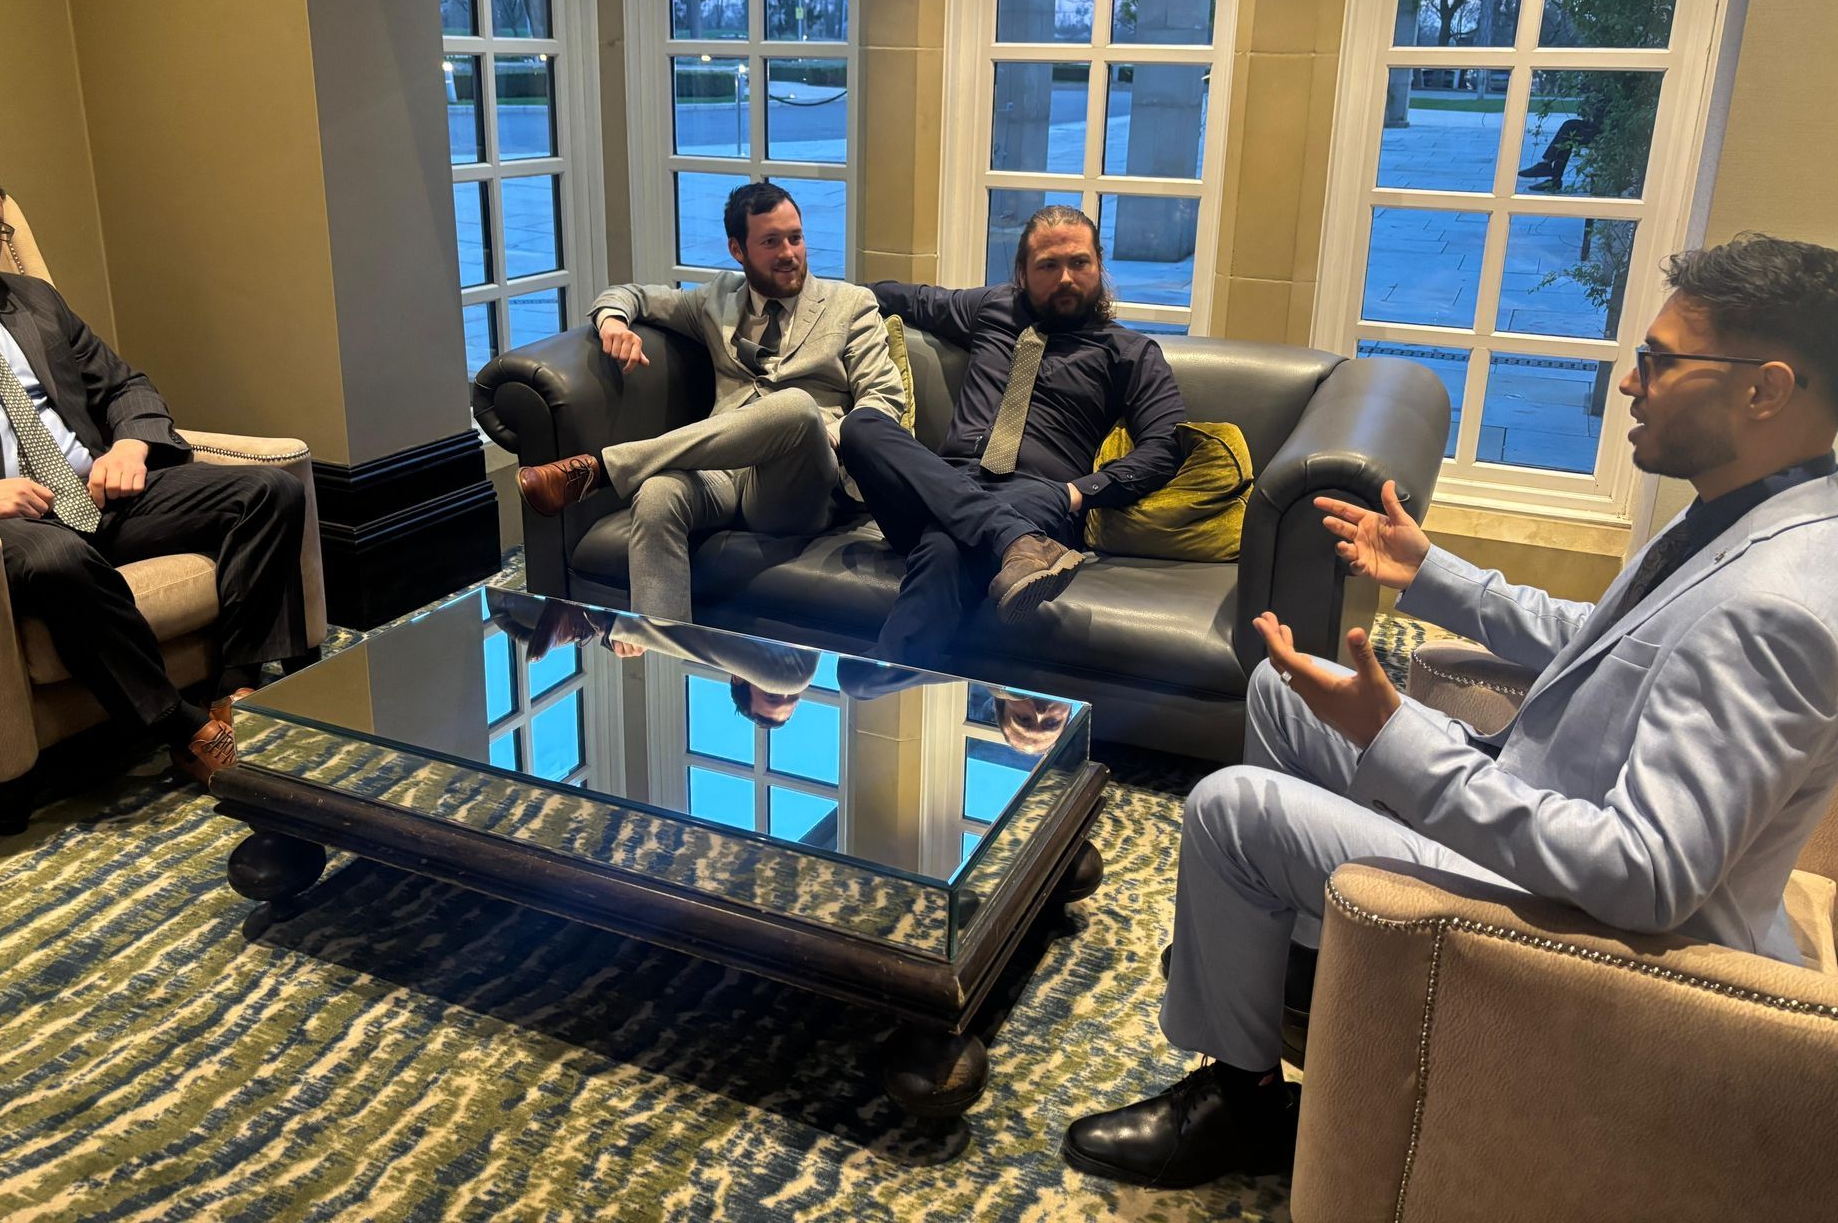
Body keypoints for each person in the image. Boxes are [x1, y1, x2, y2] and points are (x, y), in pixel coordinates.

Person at [1062, 233, 1838, 1191]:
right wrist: (1433, 574)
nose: (1630, 384)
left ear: (1764, 389)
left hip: (1582, 921)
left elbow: (1647, 878)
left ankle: (1243, 1096)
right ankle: (1318, 970)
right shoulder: (1741, 509)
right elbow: (1603, 638)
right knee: (1279, 688)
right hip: (1534, 796)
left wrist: (1398, 740)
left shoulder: (1779, 605)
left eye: (1659, 361)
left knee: (1232, 807)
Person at [0, 153, 308, 822]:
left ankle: (237, 689)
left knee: (268, 490)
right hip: (1, 525)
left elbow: (126, 385)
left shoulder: (33, 301)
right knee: (57, 558)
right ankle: (180, 727)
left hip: (95, 495)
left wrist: (129, 445)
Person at [514, 182, 905, 622]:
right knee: (658, 493)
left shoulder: (850, 305)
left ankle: (603, 468)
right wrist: (611, 322)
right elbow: (631, 294)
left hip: (801, 478)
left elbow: (884, 401)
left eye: (795, 237)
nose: (789, 253)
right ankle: (663, 647)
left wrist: (826, 436)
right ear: (738, 249)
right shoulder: (715, 300)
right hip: (721, 471)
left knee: (795, 407)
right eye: (770, 242)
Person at [836, 204, 1185, 666]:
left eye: (1079, 262)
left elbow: (1165, 446)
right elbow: (893, 297)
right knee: (861, 426)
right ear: (1021, 272)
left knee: (946, 544)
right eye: (1048, 266)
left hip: (1039, 494)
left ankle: (887, 672)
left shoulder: (1130, 352)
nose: (1066, 278)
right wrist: (811, 299)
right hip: (943, 483)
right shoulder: (990, 308)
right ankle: (1015, 540)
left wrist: (1075, 494)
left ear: (1099, 264)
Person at [494, 595, 820, 728]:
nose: (789, 690)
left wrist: (631, 637)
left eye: (773, 696)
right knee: (790, 676)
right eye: (793, 697)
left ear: (737, 677)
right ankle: (598, 624)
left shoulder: (721, 641)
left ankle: (599, 624)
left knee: (520, 623)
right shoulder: (796, 668)